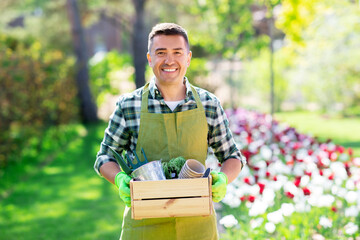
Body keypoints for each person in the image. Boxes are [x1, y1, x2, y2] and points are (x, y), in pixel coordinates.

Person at [94, 22, 246, 240]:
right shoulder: (129, 105)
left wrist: (223, 178)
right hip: (144, 227)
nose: (169, 60)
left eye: (177, 52)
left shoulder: (208, 104)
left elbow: (232, 156)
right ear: (149, 58)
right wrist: (119, 178)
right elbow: (104, 157)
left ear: (188, 58)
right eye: (161, 53)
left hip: (197, 227)